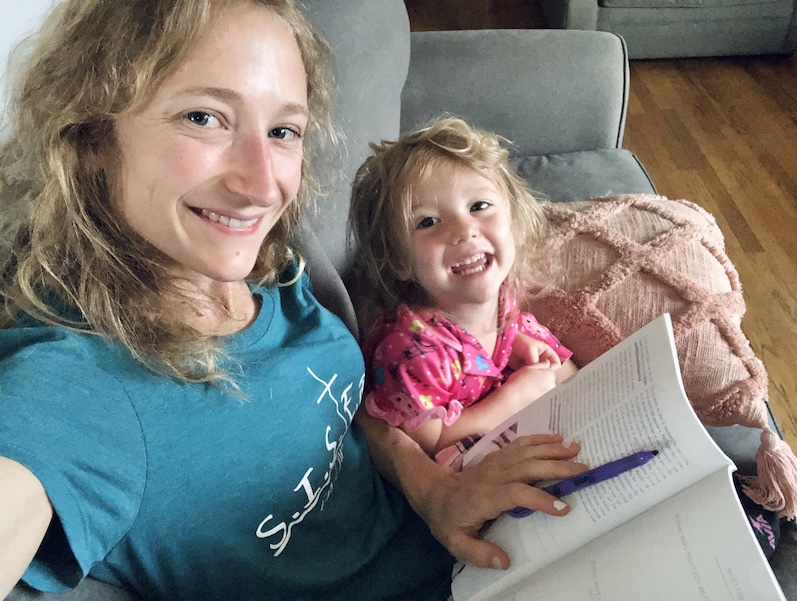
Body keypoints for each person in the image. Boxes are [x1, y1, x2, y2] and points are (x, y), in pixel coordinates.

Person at [0, 1, 589, 599]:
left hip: (472, 550)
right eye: (204, 117)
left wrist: (433, 493)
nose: (263, 187)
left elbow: (343, 412)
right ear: (91, 133)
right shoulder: (77, 385)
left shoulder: (266, 265)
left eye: (283, 131)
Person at [348, 118, 579, 470]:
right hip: (468, 475)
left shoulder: (503, 296)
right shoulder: (413, 353)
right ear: (399, 261)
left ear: (513, 220)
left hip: (519, 425)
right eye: (427, 222)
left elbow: (511, 344)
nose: (464, 230)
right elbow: (431, 443)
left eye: (478, 206)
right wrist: (516, 396)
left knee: (563, 370)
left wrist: (518, 343)